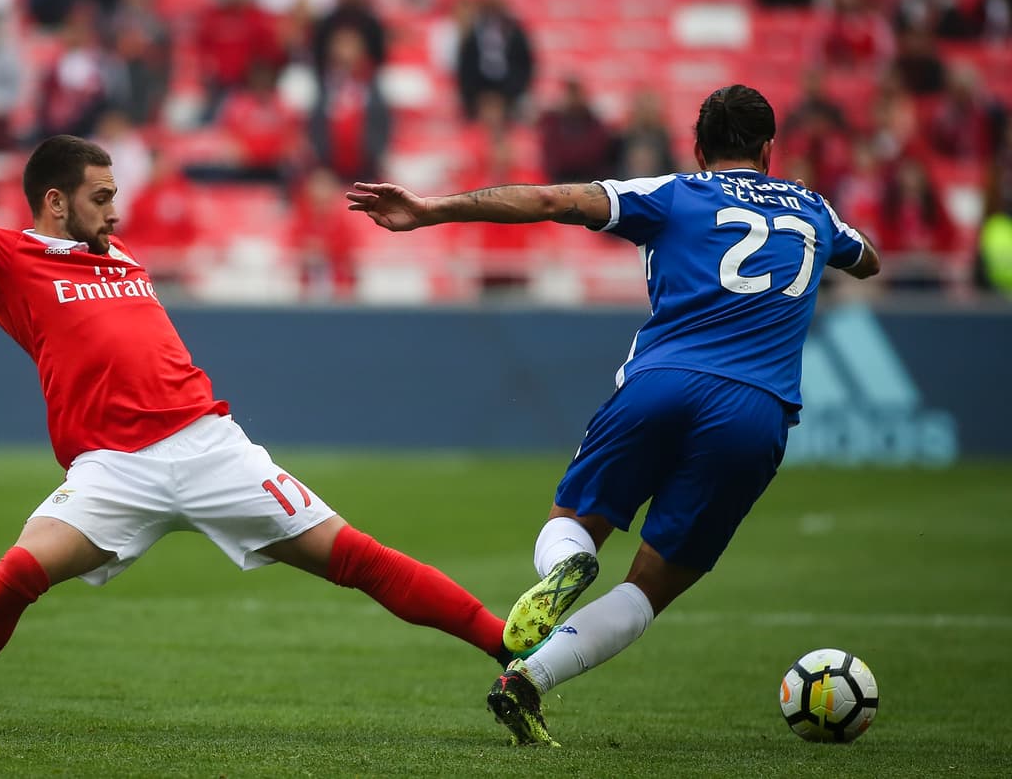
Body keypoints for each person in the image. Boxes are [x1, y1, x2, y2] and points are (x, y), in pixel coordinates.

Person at [0, 46, 580, 734]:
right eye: (100, 195)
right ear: (55, 202)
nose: (116, 207)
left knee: (359, 557)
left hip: (210, 445)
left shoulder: (118, 256)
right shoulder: (10, 261)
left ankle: (507, 643)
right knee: (17, 572)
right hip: (113, 469)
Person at [347, 84, 882, 746]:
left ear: (697, 147)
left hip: (661, 383)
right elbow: (866, 258)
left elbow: (548, 199)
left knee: (571, 523)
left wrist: (432, 210)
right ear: (769, 150)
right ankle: (529, 680)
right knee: (651, 586)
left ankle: (565, 565)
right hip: (757, 410)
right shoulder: (813, 207)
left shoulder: (677, 192)